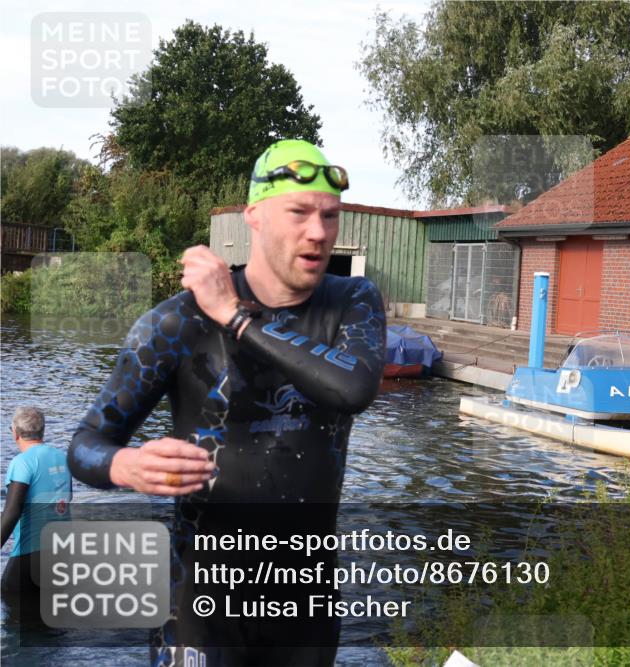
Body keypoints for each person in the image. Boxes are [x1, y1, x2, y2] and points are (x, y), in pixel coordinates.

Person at [69, 139, 386, 666]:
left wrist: (235, 315)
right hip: (200, 604)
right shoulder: (176, 324)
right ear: (254, 217)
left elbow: (353, 389)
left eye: (330, 217)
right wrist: (126, 465)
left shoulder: (352, 301)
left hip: (305, 606)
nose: (319, 232)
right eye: (300, 213)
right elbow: (85, 445)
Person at [1, 406, 72, 622]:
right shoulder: (63, 458)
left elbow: (11, 513)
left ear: (15, 432)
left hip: (28, 560)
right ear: (43, 431)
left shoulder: (21, 463)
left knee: (15, 628)